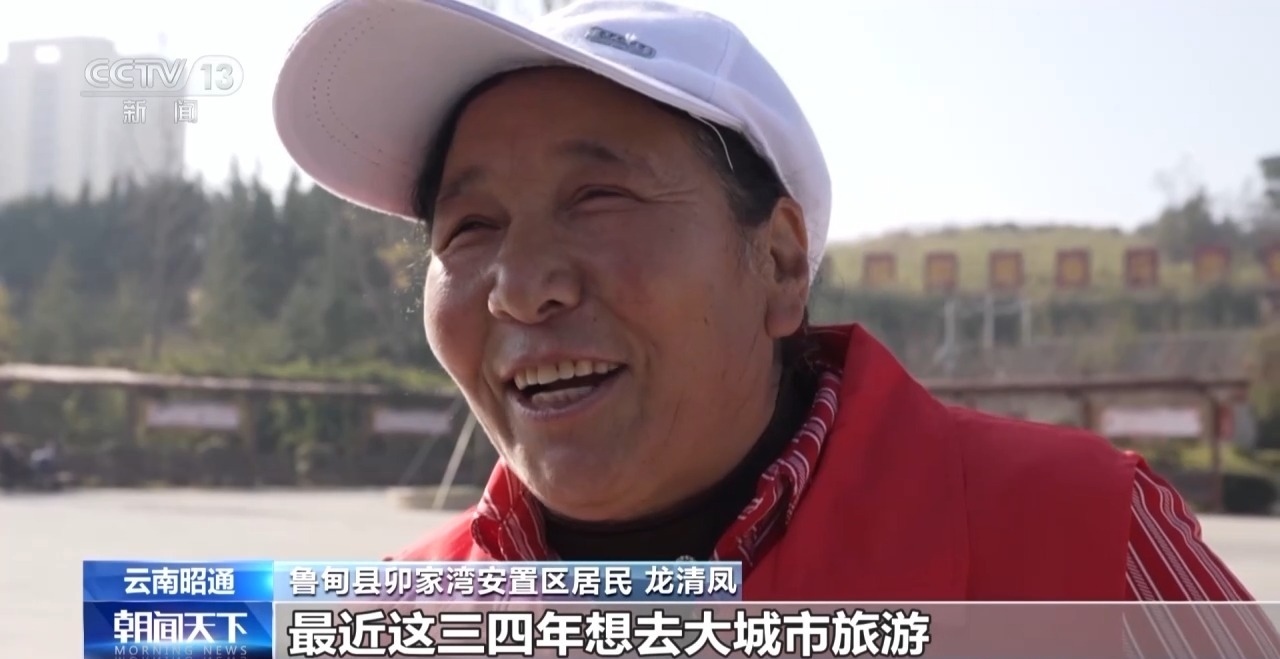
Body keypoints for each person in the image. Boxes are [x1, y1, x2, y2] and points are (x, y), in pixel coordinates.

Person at [274, 0, 1278, 653]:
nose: (520, 286)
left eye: (599, 197)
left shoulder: (1081, 540)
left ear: (781, 262)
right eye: (470, 227)